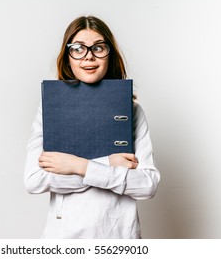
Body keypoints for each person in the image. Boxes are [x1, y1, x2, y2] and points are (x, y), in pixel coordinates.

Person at [24, 16, 160, 239]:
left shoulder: (132, 111)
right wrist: (108, 163)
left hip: (119, 237)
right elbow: (34, 180)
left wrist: (78, 165)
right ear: (68, 58)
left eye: (98, 47)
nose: (89, 55)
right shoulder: (49, 108)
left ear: (110, 54)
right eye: (77, 48)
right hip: (64, 238)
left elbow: (147, 185)